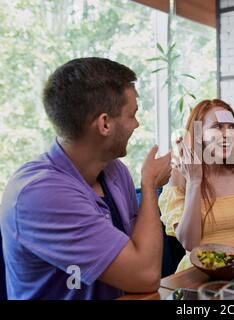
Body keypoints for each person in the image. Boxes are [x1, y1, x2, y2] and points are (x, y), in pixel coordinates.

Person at [0, 57, 172, 299]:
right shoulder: (40, 194)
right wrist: (150, 183)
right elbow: (144, 275)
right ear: (105, 124)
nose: (137, 124)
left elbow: (138, 250)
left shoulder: (115, 171)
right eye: (132, 115)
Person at [159, 99, 234, 272]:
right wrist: (194, 182)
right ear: (199, 134)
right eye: (217, 126)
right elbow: (190, 244)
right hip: (198, 272)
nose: (228, 134)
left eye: (231, 127)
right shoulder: (178, 176)